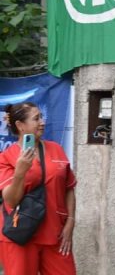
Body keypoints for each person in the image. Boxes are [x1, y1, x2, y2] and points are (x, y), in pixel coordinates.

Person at [0, 102, 77, 275]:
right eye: (36, 119)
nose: (42, 122)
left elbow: (69, 188)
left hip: (56, 234)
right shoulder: (6, 157)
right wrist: (20, 172)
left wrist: (71, 221)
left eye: (41, 117)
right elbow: (11, 200)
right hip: (20, 235)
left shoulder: (56, 149)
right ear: (20, 126)